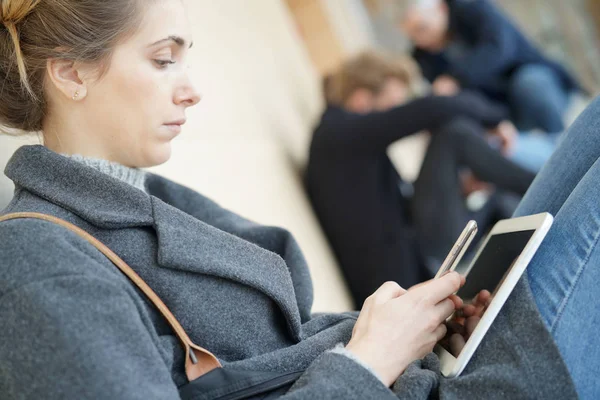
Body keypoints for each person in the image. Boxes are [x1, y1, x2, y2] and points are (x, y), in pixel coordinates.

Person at [0, 0, 597, 398]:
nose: (192, 90)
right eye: (162, 60)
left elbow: (272, 351)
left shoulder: (137, 195)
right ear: (72, 74)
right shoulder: (35, 261)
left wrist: (405, 326)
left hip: (424, 367)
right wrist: (369, 359)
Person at [306, 52, 536, 307]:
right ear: (361, 99)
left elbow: (387, 211)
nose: (396, 115)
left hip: (414, 258)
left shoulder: (346, 146)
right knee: (453, 135)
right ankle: (541, 184)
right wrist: (496, 118)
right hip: (401, 277)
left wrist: (459, 192)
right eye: (393, 107)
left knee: (502, 202)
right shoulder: (338, 134)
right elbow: (437, 107)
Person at [399, 0, 583, 133]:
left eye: (422, 28)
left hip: (535, 84)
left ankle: (563, 138)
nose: (420, 40)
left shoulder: (475, 10)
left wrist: (456, 78)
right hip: (501, 110)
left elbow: (498, 49)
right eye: (413, 36)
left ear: (441, 9)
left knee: (528, 82)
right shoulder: (424, 57)